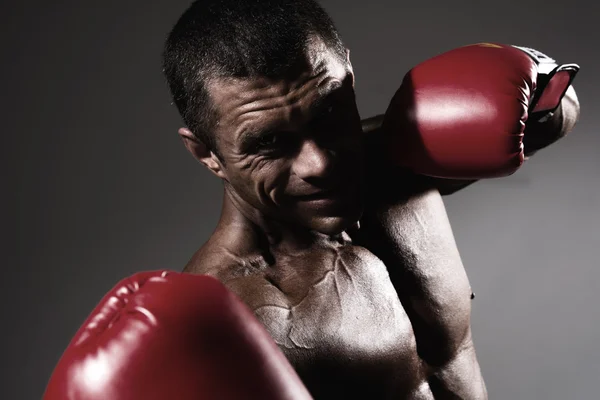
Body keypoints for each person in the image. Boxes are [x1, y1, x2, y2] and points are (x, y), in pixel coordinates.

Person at [44, 0, 580, 399]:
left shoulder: (397, 156)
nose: (320, 164)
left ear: (347, 76)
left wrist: (536, 93)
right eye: (269, 144)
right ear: (206, 153)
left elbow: (556, 111)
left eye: (328, 116)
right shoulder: (230, 319)